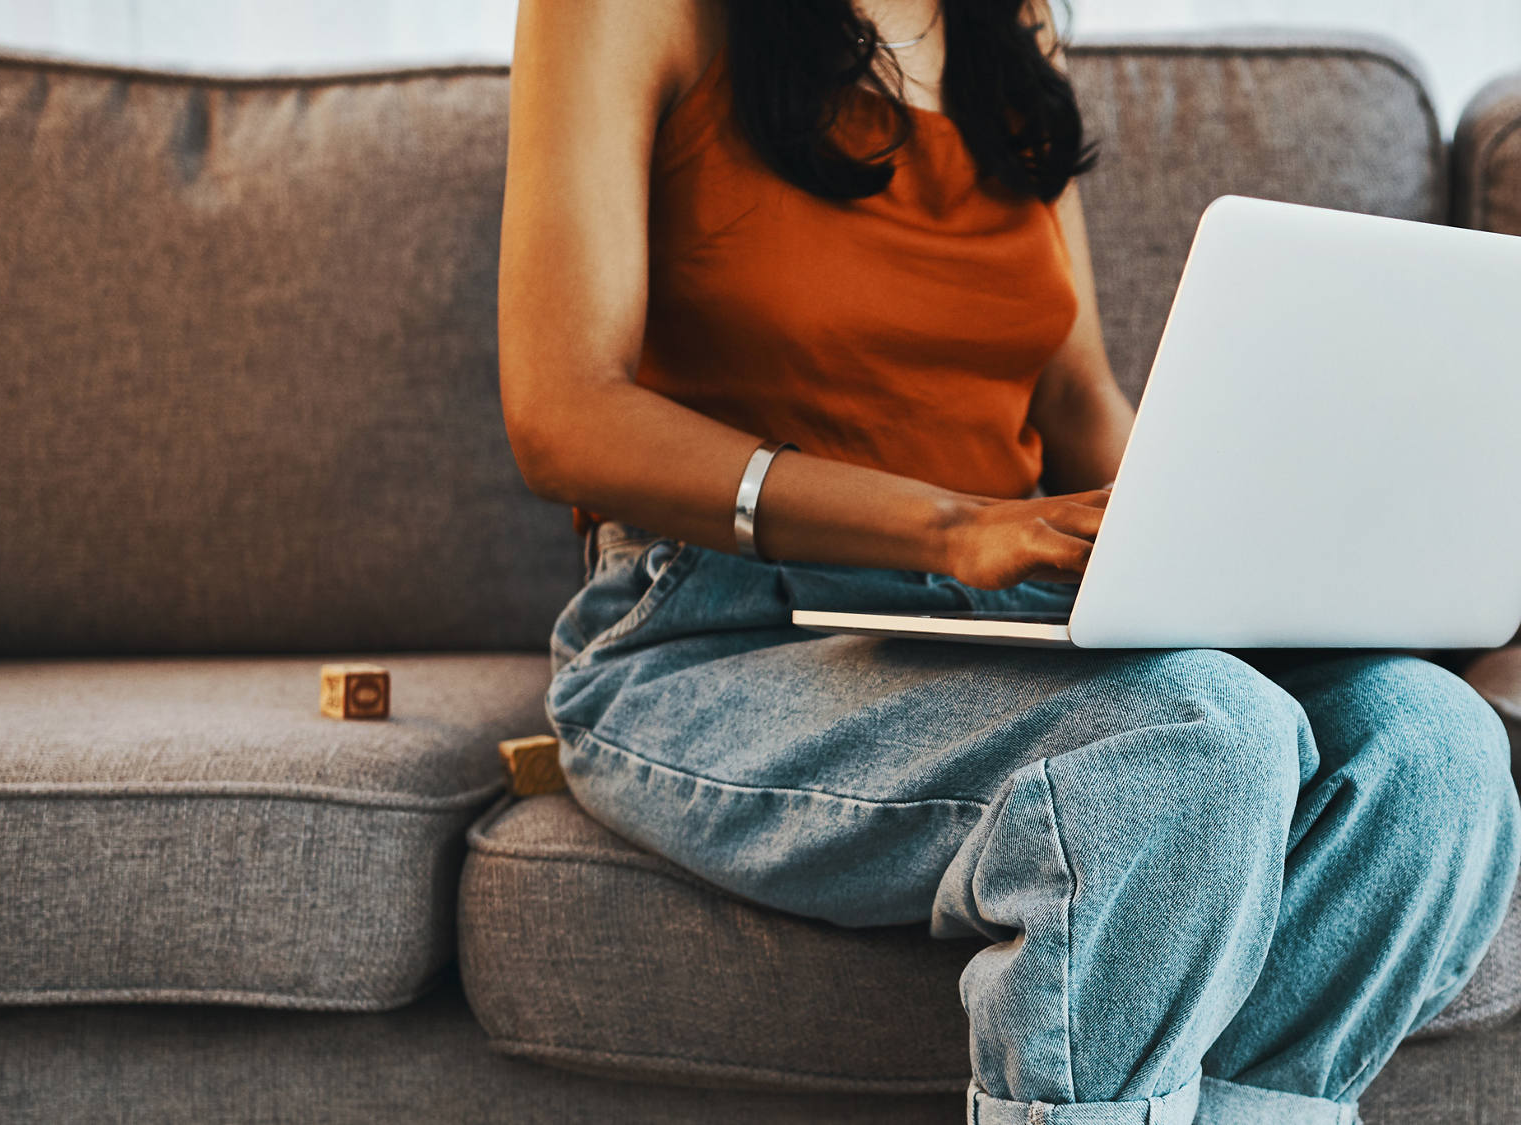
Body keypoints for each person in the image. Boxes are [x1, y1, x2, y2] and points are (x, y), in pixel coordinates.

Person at [495, 0, 1521, 1120]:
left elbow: (1078, 399)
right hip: (717, 628)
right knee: (1195, 740)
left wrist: (1248, 555)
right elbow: (564, 416)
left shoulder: (1010, 23)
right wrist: (953, 524)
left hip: (999, 616)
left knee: (1432, 745)